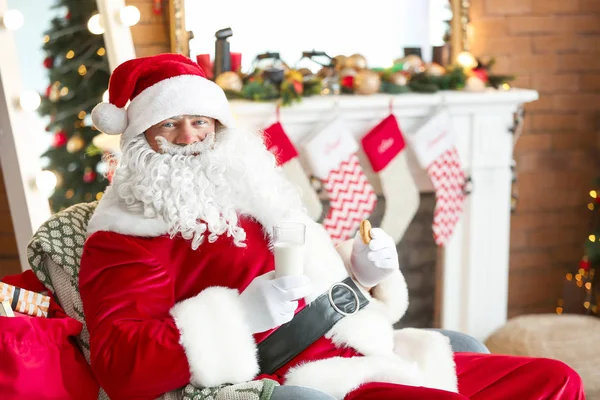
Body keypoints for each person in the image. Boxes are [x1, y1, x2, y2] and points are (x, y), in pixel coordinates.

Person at [80, 54, 584, 400]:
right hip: (308, 378)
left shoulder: (251, 185)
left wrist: (362, 275)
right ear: (141, 137)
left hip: (372, 347)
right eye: (169, 124)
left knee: (555, 380)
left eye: (201, 120)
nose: (190, 136)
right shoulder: (126, 234)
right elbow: (119, 363)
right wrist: (241, 315)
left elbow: (304, 273)